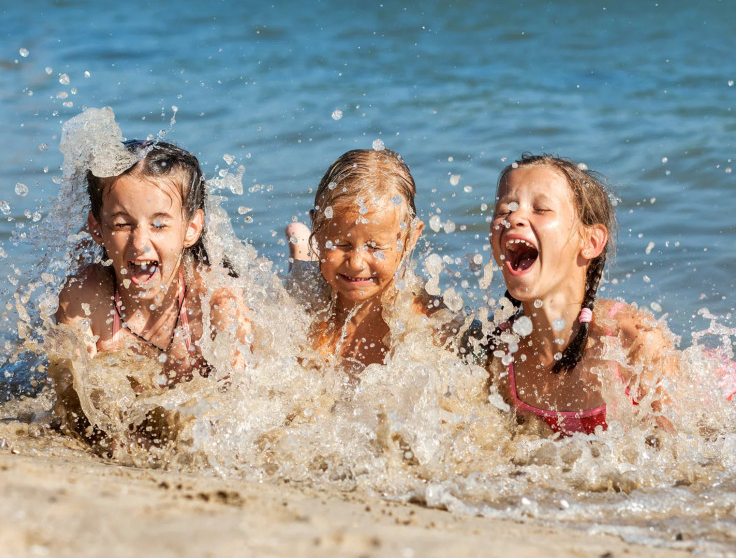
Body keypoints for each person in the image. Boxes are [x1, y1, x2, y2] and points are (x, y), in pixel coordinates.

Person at [54, 139, 250, 448]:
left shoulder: (216, 300)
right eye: (121, 224)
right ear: (97, 228)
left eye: (159, 224)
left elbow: (242, 409)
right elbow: (72, 413)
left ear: (191, 228)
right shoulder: (84, 300)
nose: (140, 243)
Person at [483, 153, 678, 437]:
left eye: (540, 209)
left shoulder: (633, 344)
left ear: (590, 242)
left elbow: (684, 452)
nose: (514, 217)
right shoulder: (500, 354)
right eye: (504, 210)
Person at [285, 148, 453, 372]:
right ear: (318, 225)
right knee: (301, 275)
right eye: (342, 244)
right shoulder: (302, 306)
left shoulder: (424, 323)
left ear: (410, 237)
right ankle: (303, 248)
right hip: (313, 274)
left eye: (374, 247)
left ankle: (305, 246)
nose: (356, 263)